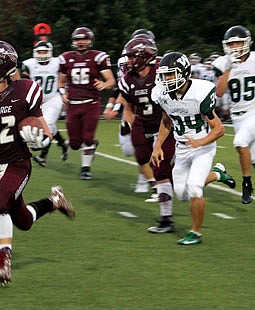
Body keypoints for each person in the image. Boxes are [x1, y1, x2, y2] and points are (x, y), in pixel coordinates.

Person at [0, 40, 75, 285]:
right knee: (23, 221)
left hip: (18, 162)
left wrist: (38, 141)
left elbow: (46, 133)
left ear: (3, 67)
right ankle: (55, 202)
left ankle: (3, 265)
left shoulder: (25, 90)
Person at [151, 52, 235, 245]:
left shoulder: (200, 92)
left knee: (195, 188)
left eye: (170, 74)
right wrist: (157, 146)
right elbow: (166, 121)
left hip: (203, 147)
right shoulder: (163, 94)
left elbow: (219, 129)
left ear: (183, 72)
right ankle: (217, 174)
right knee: (181, 193)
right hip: (182, 148)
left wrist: (200, 142)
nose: (166, 79)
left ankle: (195, 233)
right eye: (164, 75)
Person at [118, 36, 178, 232]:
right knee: (142, 157)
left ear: (144, 55)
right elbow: (128, 107)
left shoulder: (163, 71)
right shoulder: (127, 79)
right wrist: (128, 124)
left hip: (166, 123)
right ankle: (163, 184)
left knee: (161, 169)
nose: (128, 61)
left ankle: (166, 219)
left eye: (131, 57)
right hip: (142, 122)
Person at [211, 25, 255, 204]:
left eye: (238, 43)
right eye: (231, 44)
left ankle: (247, 184)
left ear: (247, 43)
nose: (235, 47)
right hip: (237, 116)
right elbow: (219, 92)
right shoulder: (222, 63)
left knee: (239, 141)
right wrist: (230, 68)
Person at [104, 29, 157, 194]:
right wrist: (113, 106)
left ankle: (149, 182)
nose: (130, 59)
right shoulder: (126, 65)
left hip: (159, 115)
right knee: (129, 150)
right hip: (135, 109)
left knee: (156, 152)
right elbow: (123, 89)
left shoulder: (159, 67)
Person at [58, 26, 115, 179]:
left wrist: (105, 84)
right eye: (77, 39)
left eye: (84, 39)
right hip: (73, 104)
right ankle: (88, 146)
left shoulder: (97, 57)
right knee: (75, 144)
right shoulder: (66, 58)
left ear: (90, 41)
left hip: (91, 103)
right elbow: (61, 82)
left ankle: (85, 168)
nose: (81, 42)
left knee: (88, 138)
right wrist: (62, 93)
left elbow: (111, 80)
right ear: (73, 42)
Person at [21, 40, 68, 166]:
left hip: (53, 98)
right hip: (36, 101)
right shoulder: (29, 64)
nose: (42, 54)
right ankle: (63, 143)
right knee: (45, 126)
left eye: (44, 52)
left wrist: (64, 91)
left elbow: (66, 75)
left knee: (47, 123)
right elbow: (23, 81)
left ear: (50, 52)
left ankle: (43, 155)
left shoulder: (57, 63)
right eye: (39, 52)